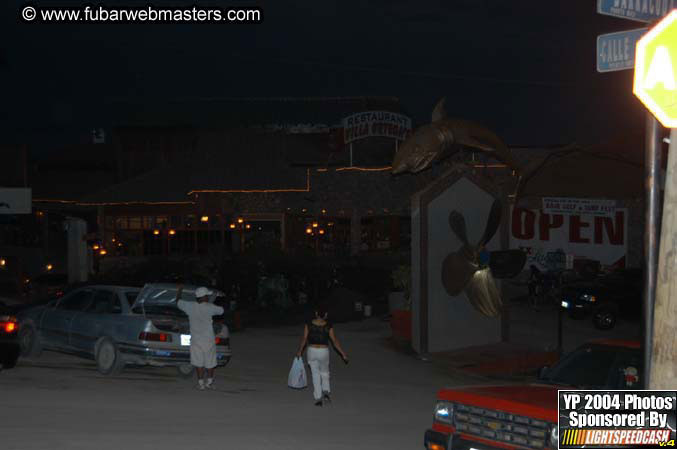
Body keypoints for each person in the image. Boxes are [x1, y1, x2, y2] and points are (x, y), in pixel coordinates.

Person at [296, 304, 348, 406]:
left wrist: (299, 351)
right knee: (324, 373)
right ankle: (326, 392)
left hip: (311, 351)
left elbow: (304, 339)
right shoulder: (328, 325)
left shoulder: (309, 324)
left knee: (315, 374)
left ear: (316, 313)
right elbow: (334, 341)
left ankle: (318, 398)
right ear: (326, 315)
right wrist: (343, 354)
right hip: (323, 352)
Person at [176, 285, 224, 391]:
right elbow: (221, 311)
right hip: (208, 341)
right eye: (207, 295)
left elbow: (178, 301)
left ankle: (201, 384)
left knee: (198, 363)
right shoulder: (210, 307)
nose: (207, 297)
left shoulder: (190, 306)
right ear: (204, 297)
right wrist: (213, 301)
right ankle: (209, 383)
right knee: (210, 362)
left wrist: (180, 290)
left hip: (196, 341)